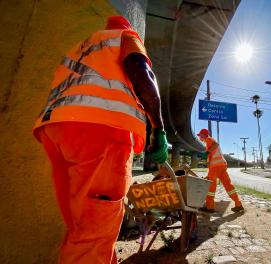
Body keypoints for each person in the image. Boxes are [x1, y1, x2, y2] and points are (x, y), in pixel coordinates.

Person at [32, 16, 168, 264]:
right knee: (94, 231)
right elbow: (142, 73)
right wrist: (158, 128)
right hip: (100, 131)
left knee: (83, 227)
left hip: (55, 130)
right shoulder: (126, 37)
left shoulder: (83, 47)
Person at [197, 129, 244, 213]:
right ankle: (238, 204)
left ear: (203, 135)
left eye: (200, 135)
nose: (199, 137)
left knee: (210, 186)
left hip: (215, 167)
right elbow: (214, 151)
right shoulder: (209, 141)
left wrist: (207, 153)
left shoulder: (209, 139)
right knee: (228, 185)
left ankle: (210, 207)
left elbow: (216, 145)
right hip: (221, 165)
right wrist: (207, 158)